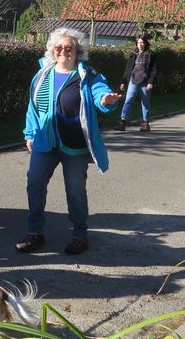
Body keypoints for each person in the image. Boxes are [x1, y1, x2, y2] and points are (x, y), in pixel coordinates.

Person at [17, 28, 121, 256]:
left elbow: (100, 93)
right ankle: (34, 232)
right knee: (34, 184)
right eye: (59, 47)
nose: (63, 51)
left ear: (78, 51)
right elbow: (33, 107)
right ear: (53, 51)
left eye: (69, 48)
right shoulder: (43, 74)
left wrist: (106, 100)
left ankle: (79, 234)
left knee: (75, 191)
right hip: (45, 141)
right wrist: (30, 133)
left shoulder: (87, 76)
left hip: (74, 145)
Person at [114, 35, 158, 132]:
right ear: (136, 44)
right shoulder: (133, 53)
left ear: (145, 43)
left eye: (142, 42)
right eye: (138, 42)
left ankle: (145, 124)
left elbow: (154, 70)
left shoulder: (150, 54)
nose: (140, 44)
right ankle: (123, 122)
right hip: (133, 81)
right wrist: (123, 82)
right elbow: (128, 69)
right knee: (128, 100)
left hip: (145, 82)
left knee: (145, 102)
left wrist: (151, 82)